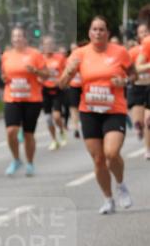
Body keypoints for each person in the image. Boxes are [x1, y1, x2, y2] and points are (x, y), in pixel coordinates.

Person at [59, 15, 133, 213]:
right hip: (89, 111)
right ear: (89, 33)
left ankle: (121, 184)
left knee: (112, 153)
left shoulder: (120, 52)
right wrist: (69, 72)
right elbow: (61, 84)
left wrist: (124, 82)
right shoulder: (79, 54)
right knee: (99, 159)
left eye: (102, 29)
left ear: (108, 33)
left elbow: (132, 74)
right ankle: (108, 199)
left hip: (114, 110)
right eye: (94, 29)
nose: (98, 33)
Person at [0, 26, 47, 177]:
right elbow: (4, 75)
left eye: (20, 36)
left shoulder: (35, 54)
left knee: (28, 134)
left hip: (31, 99)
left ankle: (30, 163)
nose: (17, 39)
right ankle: (16, 159)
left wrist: (35, 71)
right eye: (14, 36)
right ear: (12, 39)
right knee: (11, 131)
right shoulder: (6, 55)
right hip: (12, 98)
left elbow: (46, 75)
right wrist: (4, 78)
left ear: (25, 38)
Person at [127, 23, 150, 158]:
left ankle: (147, 149)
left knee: (148, 120)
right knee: (139, 122)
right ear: (138, 35)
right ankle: (139, 129)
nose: (144, 34)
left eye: (146, 31)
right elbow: (132, 69)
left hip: (149, 86)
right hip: (137, 87)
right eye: (141, 32)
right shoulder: (133, 51)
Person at [41, 36, 67, 150]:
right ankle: (54, 140)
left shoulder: (60, 58)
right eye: (46, 44)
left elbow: (66, 73)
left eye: (51, 44)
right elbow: (36, 74)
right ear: (43, 46)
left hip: (57, 90)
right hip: (44, 90)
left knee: (56, 116)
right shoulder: (40, 58)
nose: (49, 46)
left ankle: (61, 130)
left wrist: (61, 80)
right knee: (48, 118)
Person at [67, 41, 83, 138]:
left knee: (82, 108)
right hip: (73, 87)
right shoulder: (68, 60)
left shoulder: (83, 59)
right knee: (73, 108)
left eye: (75, 48)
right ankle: (76, 128)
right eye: (72, 49)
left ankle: (83, 124)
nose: (74, 51)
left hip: (83, 86)